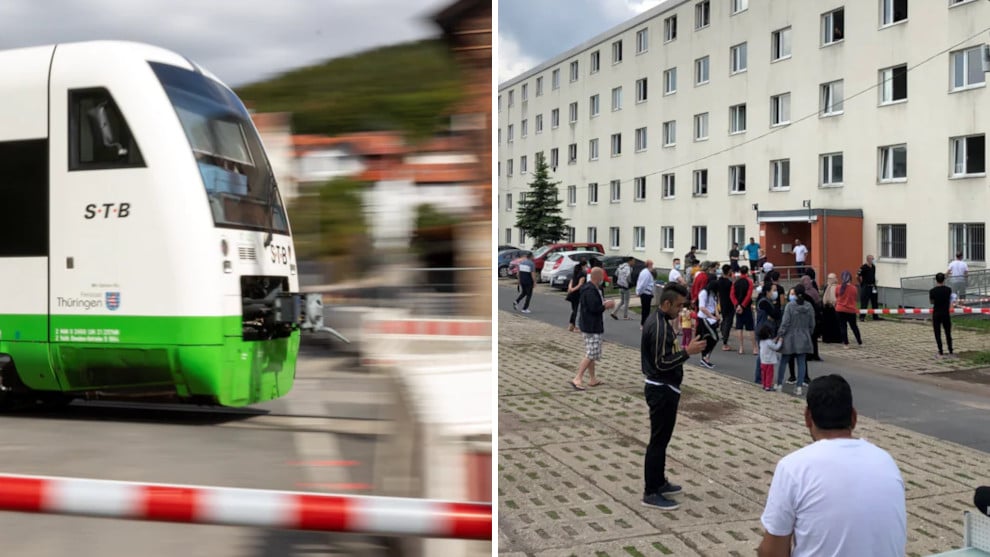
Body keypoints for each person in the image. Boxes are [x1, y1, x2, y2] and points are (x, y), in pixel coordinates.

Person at [758, 375, 906, 557]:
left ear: (808, 417)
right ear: (854, 417)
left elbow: (773, 552)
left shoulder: (793, 468)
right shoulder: (886, 461)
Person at [640, 283, 707, 510]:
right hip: (660, 389)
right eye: (678, 306)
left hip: (665, 388)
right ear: (666, 303)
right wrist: (687, 352)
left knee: (662, 441)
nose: (681, 311)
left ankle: (659, 482)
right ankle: (651, 491)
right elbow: (661, 362)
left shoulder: (662, 322)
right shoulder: (658, 326)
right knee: (657, 442)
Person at [571, 267, 615, 390]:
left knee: (592, 352)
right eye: (602, 277)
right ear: (598, 277)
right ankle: (577, 377)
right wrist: (606, 306)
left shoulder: (594, 289)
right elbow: (593, 309)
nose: (603, 280)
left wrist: (604, 302)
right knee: (592, 353)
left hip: (590, 324)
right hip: (591, 326)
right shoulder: (590, 290)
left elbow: (595, 304)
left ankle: (592, 378)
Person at [775, 284, 815, 396]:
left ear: (795, 294)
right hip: (804, 336)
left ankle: (779, 384)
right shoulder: (809, 306)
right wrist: (808, 333)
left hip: (790, 337)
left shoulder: (790, 306)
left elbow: (785, 323)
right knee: (802, 362)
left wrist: (780, 334)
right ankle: (799, 387)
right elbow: (812, 323)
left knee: (784, 361)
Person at [730, 266, 757, 355]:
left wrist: (737, 305)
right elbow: (749, 295)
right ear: (747, 272)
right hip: (746, 307)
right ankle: (754, 348)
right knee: (750, 328)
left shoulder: (735, 282)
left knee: (739, 327)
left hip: (738, 308)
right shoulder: (749, 282)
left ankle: (741, 348)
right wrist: (743, 305)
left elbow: (732, 295)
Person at [930, 272, 956, 358]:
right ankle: (950, 351)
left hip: (936, 313)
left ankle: (940, 351)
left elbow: (931, 302)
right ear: (944, 280)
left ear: (936, 280)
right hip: (945, 313)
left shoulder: (932, 291)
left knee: (937, 333)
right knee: (948, 332)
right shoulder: (948, 289)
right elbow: (950, 298)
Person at [835, 270, 863, 348]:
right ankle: (859, 341)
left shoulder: (838, 287)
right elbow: (855, 298)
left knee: (843, 327)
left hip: (840, 309)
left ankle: (846, 344)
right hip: (851, 310)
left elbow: (837, 296)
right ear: (850, 278)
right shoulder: (854, 288)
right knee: (854, 326)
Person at [696, 280, 720, 369]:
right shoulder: (704, 293)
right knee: (714, 337)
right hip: (704, 318)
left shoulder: (712, 293)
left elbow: (714, 305)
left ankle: (705, 358)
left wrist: (717, 314)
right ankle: (705, 357)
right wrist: (711, 316)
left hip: (711, 318)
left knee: (708, 338)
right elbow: (702, 307)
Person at [716, 264, 736, 351]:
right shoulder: (729, 283)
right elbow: (733, 293)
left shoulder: (719, 281)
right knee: (728, 322)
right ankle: (725, 342)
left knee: (725, 319)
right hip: (730, 304)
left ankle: (723, 333)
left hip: (722, 303)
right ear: (729, 272)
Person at [758, 325, 782, 392]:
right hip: (769, 362)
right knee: (769, 374)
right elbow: (776, 347)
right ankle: (768, 386)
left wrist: (775, 340)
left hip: (763, 361)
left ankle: (764, 384)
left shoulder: (761, 342)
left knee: (764, 374)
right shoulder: (769, 342)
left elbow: (770, 343)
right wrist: (780, 341)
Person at [820, 272, 842, 344]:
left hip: (832, 307)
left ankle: (834, 338)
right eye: (829, 278)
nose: (829, 280)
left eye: (831, 278)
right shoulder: (828, 287)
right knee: (829, 324)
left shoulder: (836, 287)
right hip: (829, 308)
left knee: (834, 324)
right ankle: (829, 338)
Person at [858, 255, 881, 322]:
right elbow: (857, 275)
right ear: (868, 259)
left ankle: (875, 316)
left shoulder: (873, 267)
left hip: (873, 286)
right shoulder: (863, 267)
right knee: (864, 302)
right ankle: (862, 317)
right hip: (866, 286)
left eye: (873, 259)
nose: (873, 260)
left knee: (875, 302)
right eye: (872, 259)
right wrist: (861, 283)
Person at [565, 261, 587, 332]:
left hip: (572, 294)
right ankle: (575, 326)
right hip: (578, 294)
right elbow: (580, 284)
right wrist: (573, 289)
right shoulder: (582, 274)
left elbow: (571, 282)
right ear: (583, 266)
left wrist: (570, 288)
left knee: (574, 310)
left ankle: (571, 326)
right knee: (577, 311)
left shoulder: (575, 273)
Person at [636, 260, 656, 328]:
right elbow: (643, 284)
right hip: (646, 293)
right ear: (649, 265)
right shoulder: (646, 273)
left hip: (647, 293)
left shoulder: (646, 272)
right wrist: (639, 292)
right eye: (652, 265)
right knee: (645, 310)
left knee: (646, 309)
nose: (653, 266)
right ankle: (643, 324)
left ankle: (644, 323)